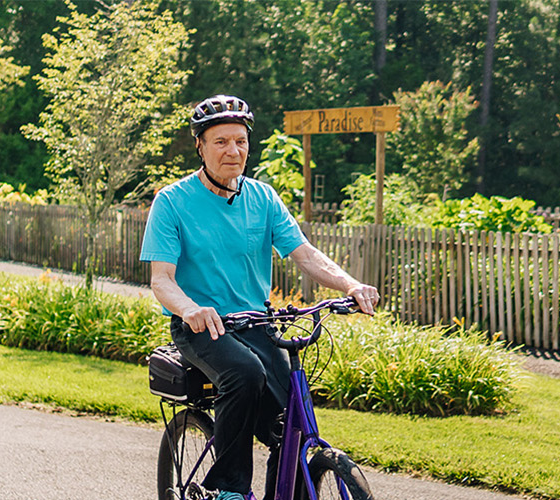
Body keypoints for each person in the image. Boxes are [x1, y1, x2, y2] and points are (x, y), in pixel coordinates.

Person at [140, 95, 380, 500]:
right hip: (202, 327)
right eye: (221, 142)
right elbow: (161, 280)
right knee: (245, 374)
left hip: (256, 324)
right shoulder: (172, 202)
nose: (233, 151)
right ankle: (228, 488)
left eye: (241, 141)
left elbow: (305, 254)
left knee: (291, 428)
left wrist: (350, 285)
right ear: (200, 146)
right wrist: (191, 308)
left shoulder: (263, 198)